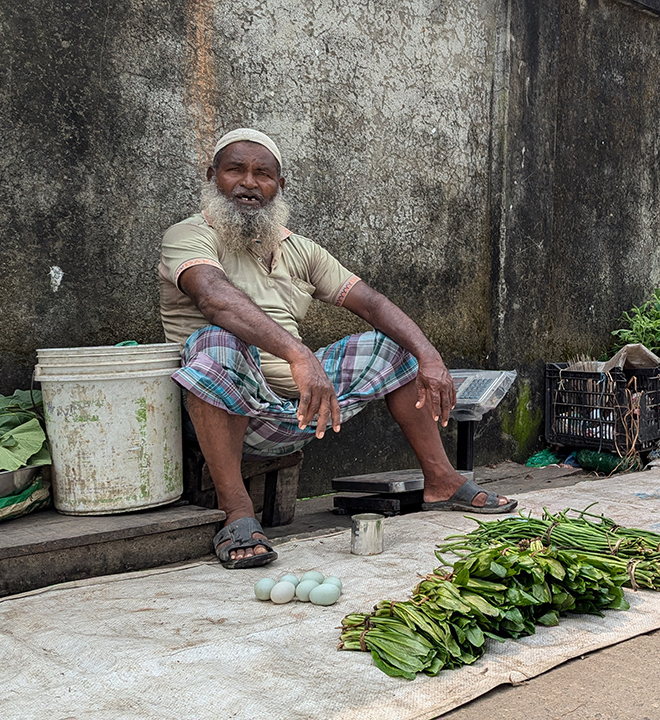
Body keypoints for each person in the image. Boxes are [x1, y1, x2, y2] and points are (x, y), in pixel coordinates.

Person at [159, 128, 516, 569]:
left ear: (279, 186)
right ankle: (238, 512)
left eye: (262, 174)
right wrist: (299, 354)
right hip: (226, 416)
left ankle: (441, 480)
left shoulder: (297, 248)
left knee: (394, 347)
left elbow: (370, 302)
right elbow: (213, 296)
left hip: (303, 410)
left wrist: (430, 355)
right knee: (214, 340)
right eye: (235, 170)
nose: (249, 183)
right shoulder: (188, 235)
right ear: (213, 176)